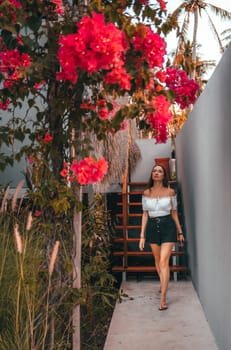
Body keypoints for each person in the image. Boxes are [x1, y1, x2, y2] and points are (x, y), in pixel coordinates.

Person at [139, 164, 184, 311]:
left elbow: (174, 213)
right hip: (152, 226)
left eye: (160, 171)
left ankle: (163, 298)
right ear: (152, 175)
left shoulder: (171, 192)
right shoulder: (146, 193)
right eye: (154, 171)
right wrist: (142, 236)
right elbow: (145, 215)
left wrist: (180, 231)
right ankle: (163, 282)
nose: (156, 173)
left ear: (164, 175)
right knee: (158, 261)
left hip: (167, 226)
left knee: (164, 261)